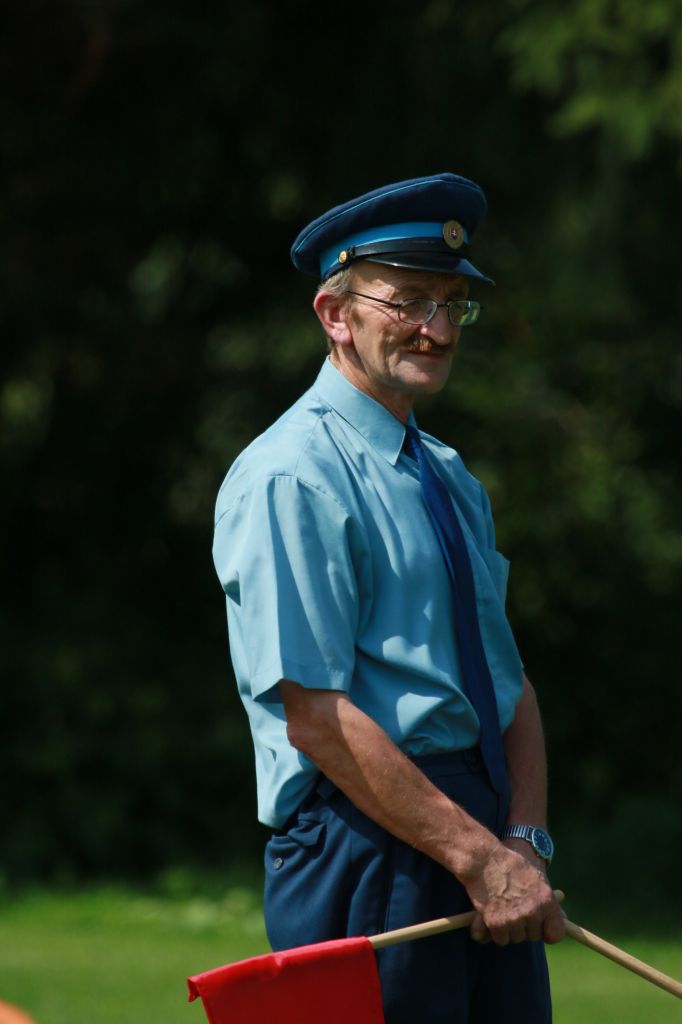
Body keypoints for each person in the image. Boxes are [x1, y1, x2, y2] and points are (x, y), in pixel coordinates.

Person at [212, 172, 566, 1023]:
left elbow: (508, 685)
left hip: (479, 836)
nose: (437, 329)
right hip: (363, 843)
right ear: (336, 315)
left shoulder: (449, 476)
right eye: (408, 301)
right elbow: (316, 716)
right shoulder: (291, 475)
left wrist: (524, 841)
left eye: (452, 305)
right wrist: (482, 860)